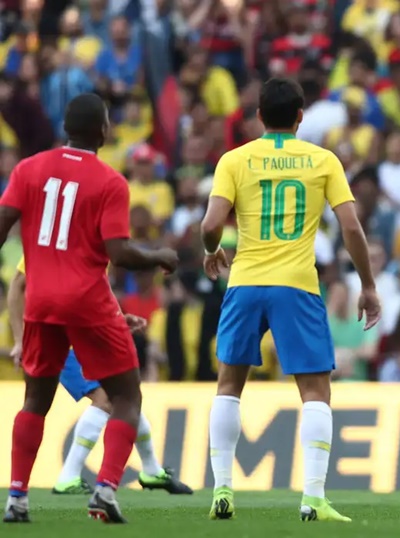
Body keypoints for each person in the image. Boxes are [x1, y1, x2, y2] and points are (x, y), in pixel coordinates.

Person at [200, 78, 380, 522]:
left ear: (259, 115)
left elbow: (209, 225)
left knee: (229, 384)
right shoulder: (323, 160)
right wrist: (369, 285)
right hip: (296, 284)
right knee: (316, 391)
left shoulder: (234, 160)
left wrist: (211, 252)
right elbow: (352, 229)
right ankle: (313, 498)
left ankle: (222, 488)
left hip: (244, 282)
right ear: (301, 116)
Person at [0, 92, 179, 524]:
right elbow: (117, 253)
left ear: (65, 127)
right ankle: (105, 490)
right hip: (87, 303)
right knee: (126, 395)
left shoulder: (28, 169)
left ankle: (17, 497)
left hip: (40, 303)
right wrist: (158, 255)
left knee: (34, 402)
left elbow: (2, 226)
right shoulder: (110, 182)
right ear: (103, 131)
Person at [7, 258, 192, 497]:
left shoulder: (93, 244)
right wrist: (20, 339)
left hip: (89, 338)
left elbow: (97, 291)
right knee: (107, 399)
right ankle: (68, 476)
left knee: (125, 398)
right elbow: (16, 287)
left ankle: (151, 469)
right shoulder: (53, 239)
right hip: (62, 341)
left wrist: (116, 321)